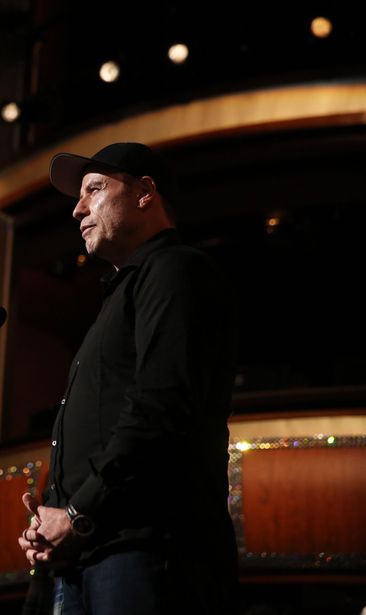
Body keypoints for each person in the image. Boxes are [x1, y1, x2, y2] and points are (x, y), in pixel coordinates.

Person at [17, 142, 239, 615]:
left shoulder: (174, 269)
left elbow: (161, 407)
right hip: (92, 551)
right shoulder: (121, 295)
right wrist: (50, 523)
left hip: (145, 548)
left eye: (94, 189)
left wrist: (76, 514)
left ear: (144, 192)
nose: (78, 209)